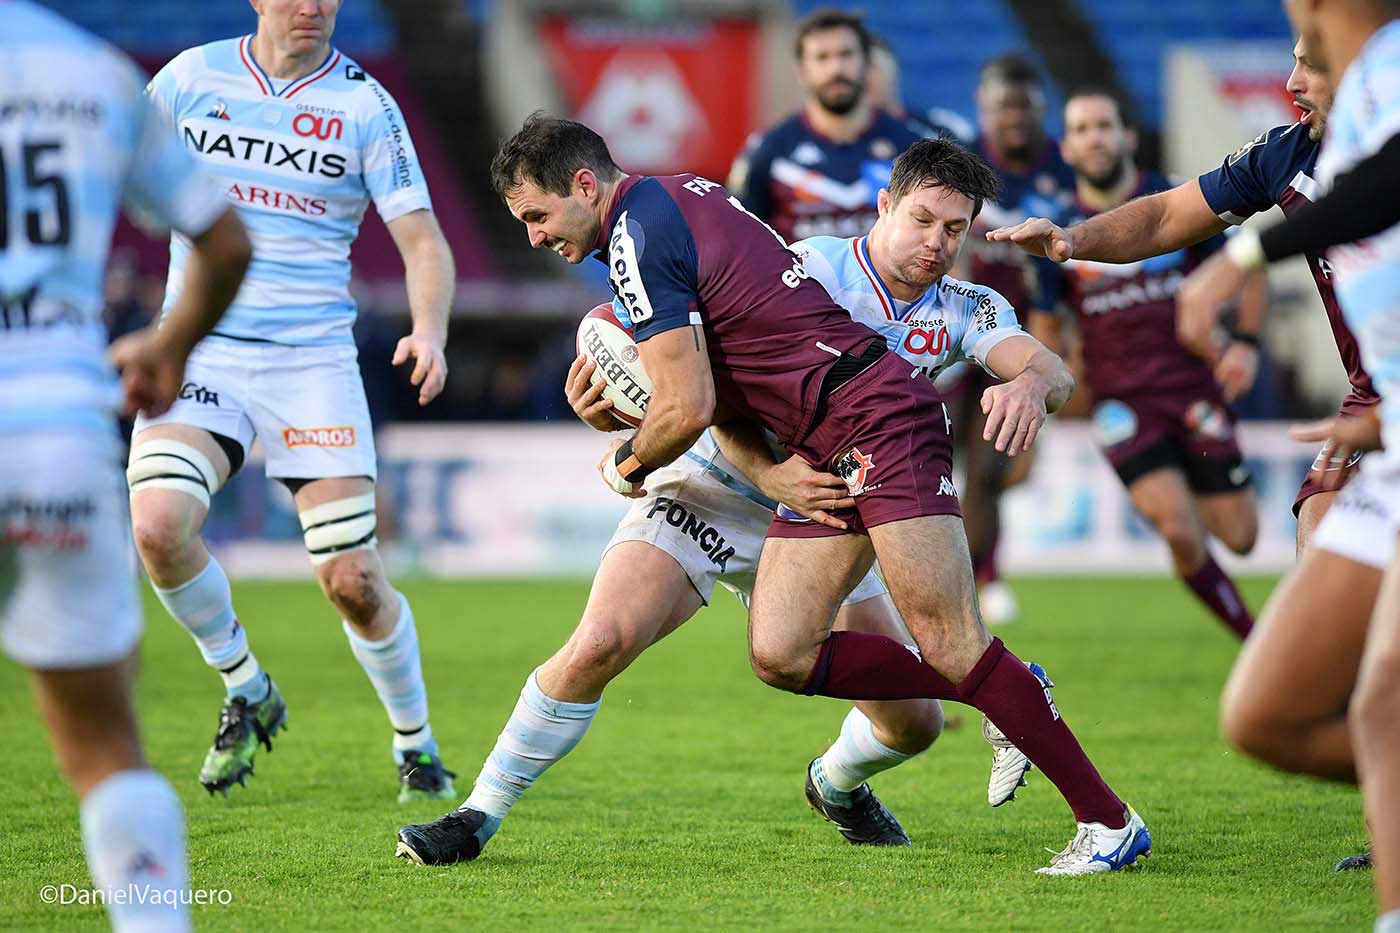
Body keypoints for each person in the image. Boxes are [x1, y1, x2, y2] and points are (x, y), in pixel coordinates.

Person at [403, 117, 1146, 874]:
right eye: (923, 219)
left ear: (586, 186)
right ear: (884, 206)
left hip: (847, 462)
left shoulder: (966, 307)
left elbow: (690, 396)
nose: (937, 242)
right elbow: (700, 385)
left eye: (955, 229)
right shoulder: (808, 261)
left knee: (919, 714)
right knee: (702, 649)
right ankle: (476, 815)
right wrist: (644, 413)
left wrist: (1031, 384)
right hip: (735, 476)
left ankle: (1031, 777)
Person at [129, 0, 459, 801]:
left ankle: (416, 744)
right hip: (200, 343)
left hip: (311, 362)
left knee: (353, 580)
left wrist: (430, 330)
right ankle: (245, 684)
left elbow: (423, 240)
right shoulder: (188, 79)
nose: (311, 6)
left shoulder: (365, 105)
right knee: (159, 527)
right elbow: (114, 170)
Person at [2, 3, 252, 929]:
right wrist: (167, 345)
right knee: (106, 746)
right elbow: (225, 240)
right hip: (56, 437)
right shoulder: (94, 71)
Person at [1175, 2, 1400, 902]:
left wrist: (1243, 257)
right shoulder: (1344, 105)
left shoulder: (1389, 67)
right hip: (1384, 426)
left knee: (1379, 702)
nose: (1295, 72)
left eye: (1306, 53)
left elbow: (1390, 180)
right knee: (1268, 713)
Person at [986, 37, 1373, 552]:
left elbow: (1350, 211)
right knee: (1316, 534)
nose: (1291, 83)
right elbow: (1165, 218)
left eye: (1312, 66)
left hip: (1217, 391)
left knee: (1247, 536)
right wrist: (1074, 240)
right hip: (1369, 392)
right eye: (1293, 62)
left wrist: (1241, 287)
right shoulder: (1287, 153)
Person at [1031, 89, 1260, 639]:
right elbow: (1044, 327)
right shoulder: (1057, 235)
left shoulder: (1178, 202)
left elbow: (1250, 268)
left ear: (1127, 136)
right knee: (1179, 530)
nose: (1095, 138)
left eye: (1104, 125)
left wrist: (1244, 341)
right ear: (1066, 149)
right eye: (1081, 129)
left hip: (1193, 389)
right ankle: (1257, 641)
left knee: (1242, 537)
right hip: (1122, 404)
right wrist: (1050, 384)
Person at [948, 55, 1078, 624]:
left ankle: (977, 580)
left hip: (1020, 345)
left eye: (1025, 107)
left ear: (1042, 109)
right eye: (1005, 106)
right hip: (950, 334)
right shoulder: (957, 163)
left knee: (991, 471)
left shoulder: (1065, 172)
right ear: (985, 107)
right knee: (921, 461)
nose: (1016, 118)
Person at [727, 9, 926, 242]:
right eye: (822, 57)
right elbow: (737, 240)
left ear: (867, 63)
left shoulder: (911, 147)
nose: (836, 69)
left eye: (846, 54)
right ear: (801, 71)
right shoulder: (768, 150)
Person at [865, 35, 976, 144]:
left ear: (894, 71)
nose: (865, 77)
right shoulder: (858, 141)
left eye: (872, 67)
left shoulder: (946, 124)